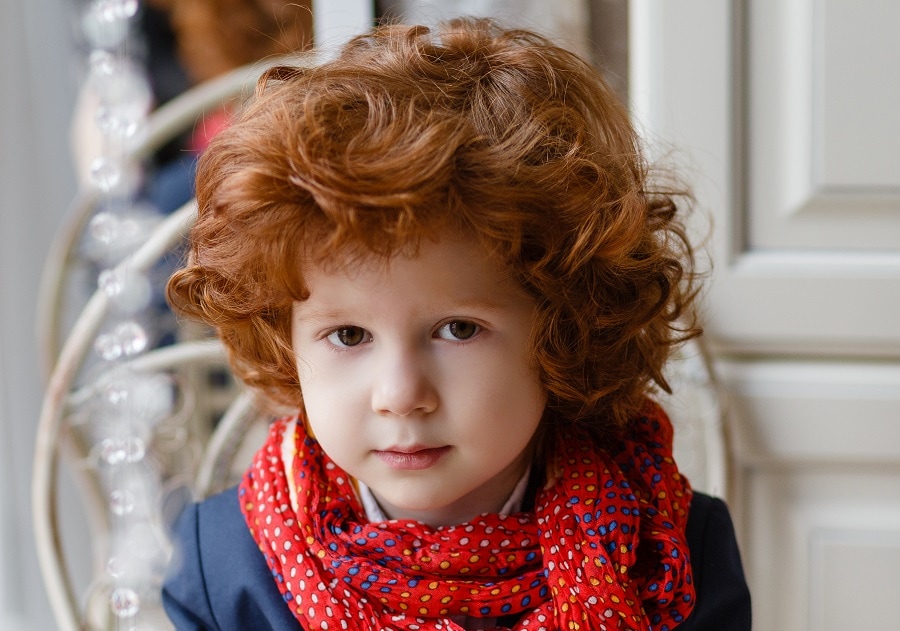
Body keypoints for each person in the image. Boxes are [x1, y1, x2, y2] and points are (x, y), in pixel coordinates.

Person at [162, 17, 751, 630]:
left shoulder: (670, 550)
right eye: (349, 335)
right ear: (286, 339)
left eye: (459, 330)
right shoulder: (223, 571)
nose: (401, 396)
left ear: (564, 332)